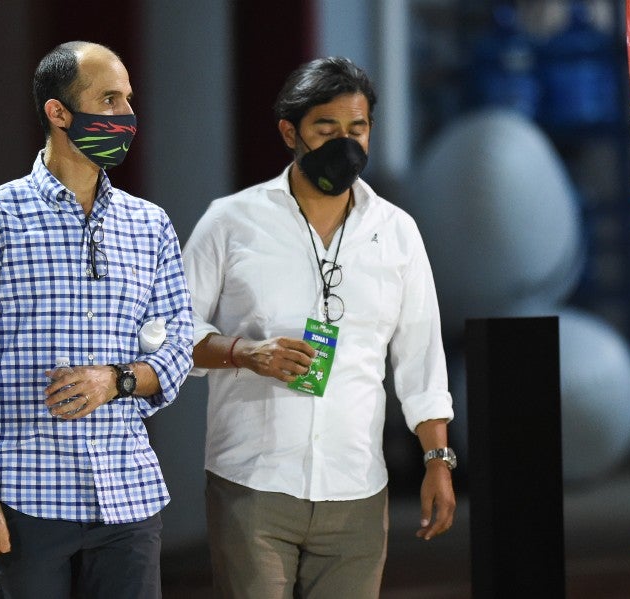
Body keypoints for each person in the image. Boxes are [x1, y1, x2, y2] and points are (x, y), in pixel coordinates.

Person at [0, 41, 193, 599]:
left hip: (128, 496)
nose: (126, 116)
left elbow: (178, 347)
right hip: (25, 494)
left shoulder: (150, 224)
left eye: (128, 101)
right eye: (109, 100)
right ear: (59, 112)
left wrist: (114, 379)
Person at [182, 56, 456, 599]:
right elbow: (164, 331)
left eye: (357, 129)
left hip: (356, 486)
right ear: (291, 132)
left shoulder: (397, 232)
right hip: (253, 484)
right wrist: (244, 352)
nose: (344, 144)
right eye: (325, 129)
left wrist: (437, 462)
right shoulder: (230, 221)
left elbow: (421, 358)